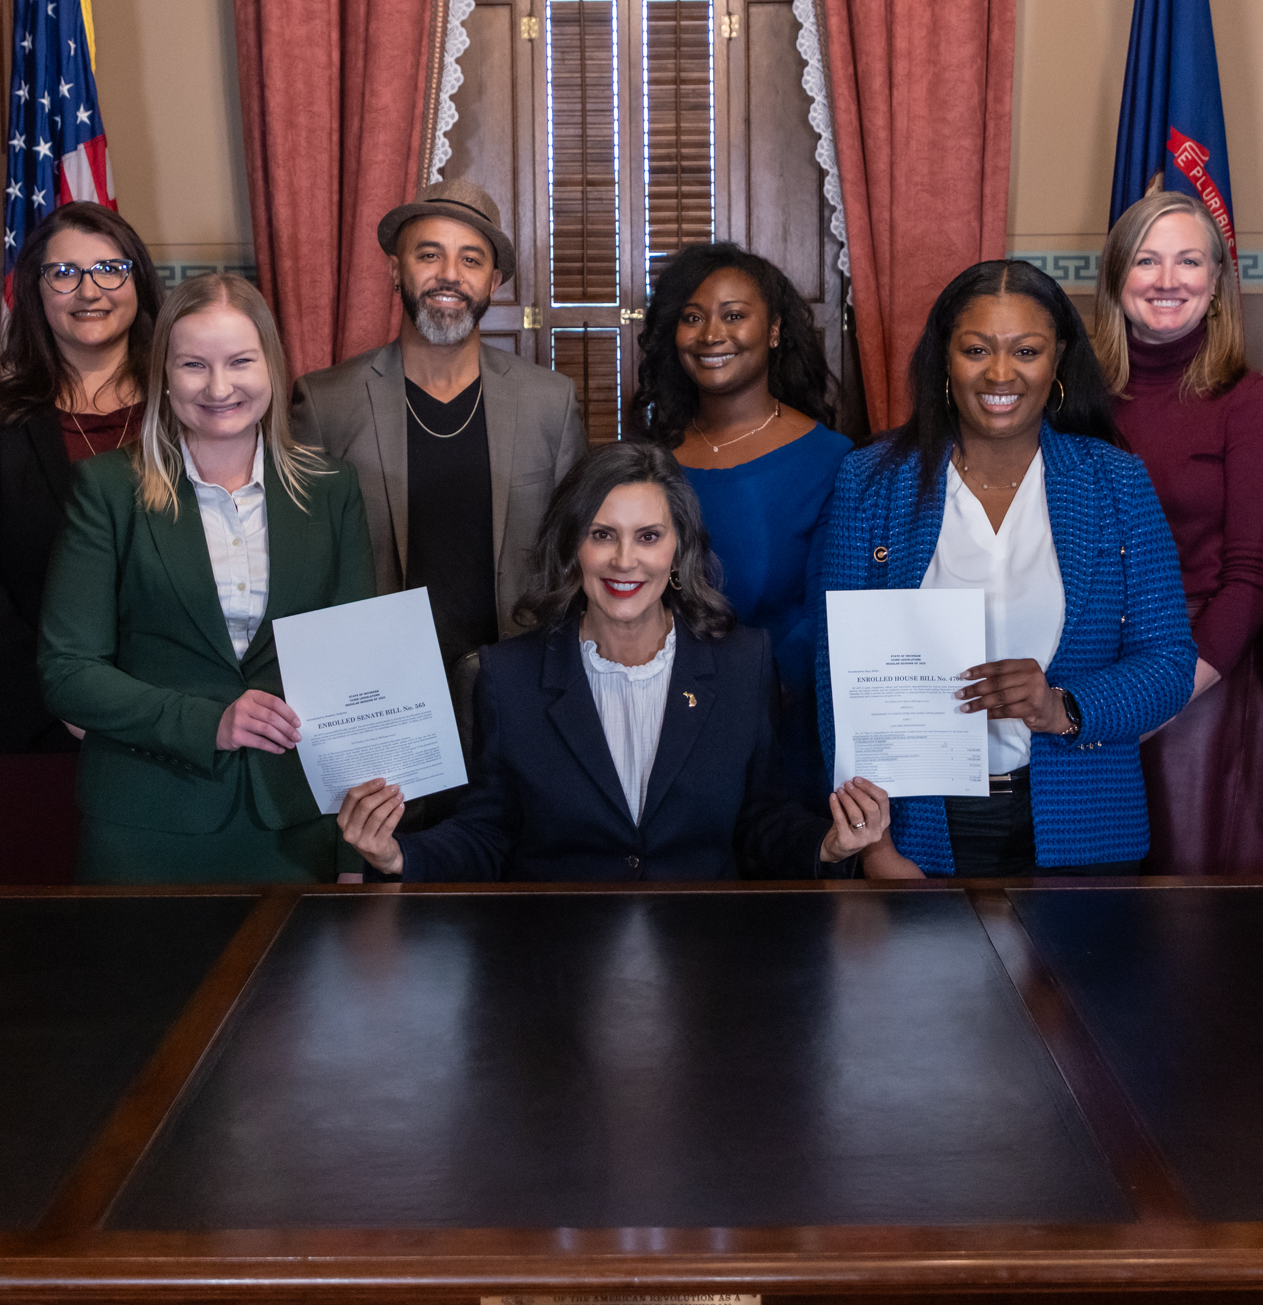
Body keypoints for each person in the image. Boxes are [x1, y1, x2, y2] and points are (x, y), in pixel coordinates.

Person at [337, 442, 889, 882]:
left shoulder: (744, 662)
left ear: (679, 550)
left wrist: (829, 844)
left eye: (648, 537)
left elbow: (761, 822)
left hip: (705, 962)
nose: (625, 561)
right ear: (572, 549)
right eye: (602, 535)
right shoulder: (508, 676)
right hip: (554, 965)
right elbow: (488, 834)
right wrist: (395, 856)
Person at [814, 260, 1195, 878]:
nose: (999, 373)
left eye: (1025, 350)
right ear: (944, 357)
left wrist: (1063, 706)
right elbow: (839, 679)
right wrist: (876, 849)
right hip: (917, 829)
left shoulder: (1116, 482)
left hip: (1083, 820)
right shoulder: (871, 482)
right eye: (975, 349)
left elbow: (1169, 664)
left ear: (1058, 360)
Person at [40, 273, 375, 882]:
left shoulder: (332, 489)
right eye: (194, 365)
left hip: (298, 828)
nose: (219, 387)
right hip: (145, 825)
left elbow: (355, 680)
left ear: (271, 366)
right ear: (164, 376)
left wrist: (351, 853)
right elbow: (68, 674)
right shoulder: (108, 489)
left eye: (240, 362)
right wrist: (209, 723)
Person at [0, 202, 162, 883]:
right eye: (63, 272)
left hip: (175, 729)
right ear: (34, 290)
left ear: (140, 283)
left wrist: (158, 708)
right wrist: (66, 701)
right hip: (37, 733)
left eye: (109, 268)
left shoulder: (188, 411)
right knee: (51, 952)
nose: (88, 289)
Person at [292, 177, 584, 669]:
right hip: (380, 684)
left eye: (471, 260)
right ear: (394, 270)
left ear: (493, 282)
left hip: (519, 677)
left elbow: (574, 556)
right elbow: (303, 565)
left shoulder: (551, 402)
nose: (450, 275)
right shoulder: (326, 403)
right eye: (429, 255)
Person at [1092, 191, 1263, 874]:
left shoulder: (1249, 400)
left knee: (1191, 938)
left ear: (1216, 282)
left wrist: (1155, 701)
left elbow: (1252, 579)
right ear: (1117, 277)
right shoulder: (1075, 399)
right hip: (1087, 686)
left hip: (1200, 686)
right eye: (1147, 260)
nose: (1168, 280)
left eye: (1188, 261)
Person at [629, 243, 852, 801]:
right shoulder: (648, 460)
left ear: (773, 330)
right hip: (654, 723)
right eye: (692, 316)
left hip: (780, 726)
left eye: (733, 315)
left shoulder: (834, 461)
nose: (710, 334)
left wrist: (741, 695)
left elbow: (828, 614)